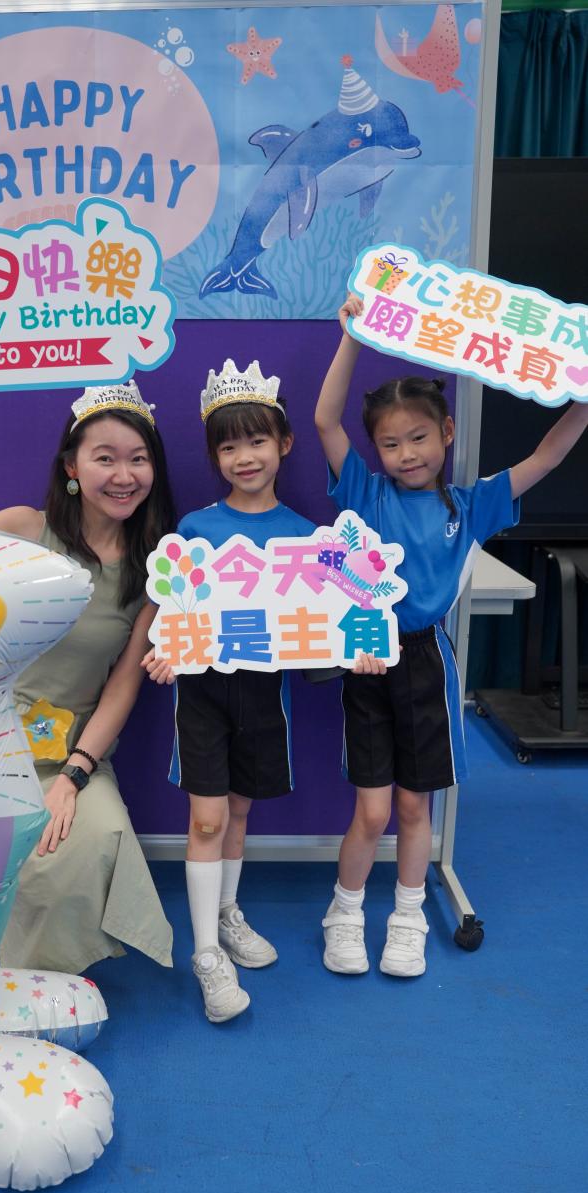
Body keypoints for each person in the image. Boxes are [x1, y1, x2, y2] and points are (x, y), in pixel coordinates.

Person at [313, 294, 588, 978]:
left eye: (418, 438)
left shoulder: (468, 505)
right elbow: (323, 419)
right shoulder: (364, 494)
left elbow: (548, 455)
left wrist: (584, 399)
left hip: (427, 665)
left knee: (415, 806)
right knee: (371, 811)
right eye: (390, 443)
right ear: (375, 450)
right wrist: (351, 336)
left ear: (446, 432)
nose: (406, 454)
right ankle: (344, 912)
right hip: (366, 658)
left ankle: (407, 918)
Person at [0, 349, 176, 974]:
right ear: (72, 466)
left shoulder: (154, 569)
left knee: (91, 835)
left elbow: (123, 687)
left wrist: (75, 776)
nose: (124, 474)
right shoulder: (27, 530)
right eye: (105, 458)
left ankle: (34, 982)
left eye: (138, 458)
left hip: (71, 751)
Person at [145, 359, 383, 1023]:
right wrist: (164, 648)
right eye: (228, 446)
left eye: (256, 441)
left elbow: (335, 621)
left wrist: (358, 646)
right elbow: (173, 612)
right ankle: (205, 956)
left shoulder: (308, 539)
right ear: (214, 456)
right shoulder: (195, 529)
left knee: (239, 814)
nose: (243, 457)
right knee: (206, 819)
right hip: (201, 696)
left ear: (284, 443)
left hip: (264, 697)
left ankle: (227, 913)